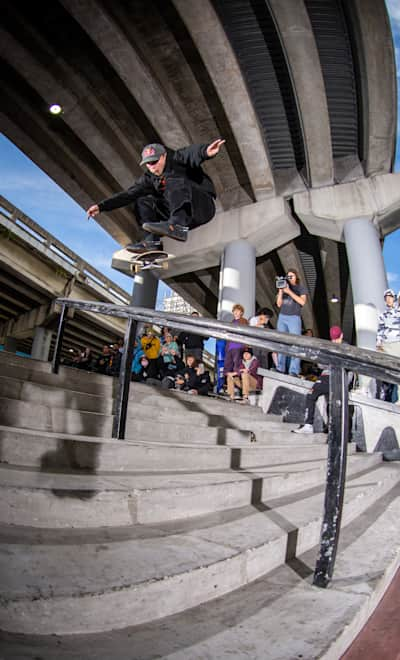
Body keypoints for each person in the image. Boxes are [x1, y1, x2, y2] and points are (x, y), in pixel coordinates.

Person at [86, 139, 226, 252]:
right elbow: (128, 194)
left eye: (154, 162)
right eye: (148, 164)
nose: (152, 167)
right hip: (185, 216)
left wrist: (206, 151)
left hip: (202, 206)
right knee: (142, 200)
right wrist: (101, 207)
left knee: (173, 181)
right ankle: (152, 243)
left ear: (164, 156)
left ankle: (177, 224)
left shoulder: (177, 158)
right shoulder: (149, 178)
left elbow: (192, 153)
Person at [292, 326, 344, 434]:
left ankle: (309, 424)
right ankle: (331, 428)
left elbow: (321, 364)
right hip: (336, 379)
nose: (335, 341)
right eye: (334, 339)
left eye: (336, 338)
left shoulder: (337, 348)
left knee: (311, 395)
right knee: (330, 402)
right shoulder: (342, 347)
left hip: (329, 377)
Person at [276, 269, 308, 376]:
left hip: (294, 317)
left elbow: (302, 302)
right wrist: (281, 291)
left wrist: (289, 291)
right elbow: (279, 304)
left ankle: (293, 370)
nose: (289, 278)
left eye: (291, 276)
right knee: (281, 343)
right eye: (288, 276)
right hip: (282, 316)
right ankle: (280, 368)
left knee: (295, 344)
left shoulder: (300, 288)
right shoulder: (284, 286)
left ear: (296, 277)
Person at [376, 288, 400, 402]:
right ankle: (384, 396)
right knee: (386, 371)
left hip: (397, 344)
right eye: (387, 298)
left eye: (390, 297)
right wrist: (378, 343)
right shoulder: (383, 315)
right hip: (386, 345)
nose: (389, 300)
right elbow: (380, 329)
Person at [223, 303, 249, 382]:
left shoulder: (244, 321)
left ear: (241, 312)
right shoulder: (232, 322)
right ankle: (229, 385)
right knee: (228, 366)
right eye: (235, 311)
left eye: (238, 311)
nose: (236, 312)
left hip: (238, 346)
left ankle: (237, 384)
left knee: (237, 366)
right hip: (230, 347)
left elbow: (245, 333)